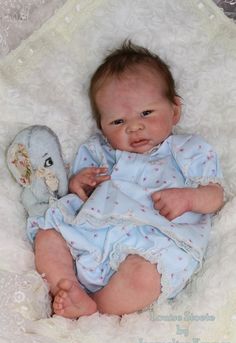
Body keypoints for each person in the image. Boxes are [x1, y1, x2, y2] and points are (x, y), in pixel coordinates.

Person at [29, 41, 224, 319]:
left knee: (143, 277)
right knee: (47, 236)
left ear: (175, 111)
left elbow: (215, 196)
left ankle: (95, 311)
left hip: (153, 241)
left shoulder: (187, 150)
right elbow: (78, 191)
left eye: (146, 113)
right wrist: (78, 183)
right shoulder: (99, 151)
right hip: (93, 235)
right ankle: (70, 288)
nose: (134, 126)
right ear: (102, 128)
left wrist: (189, 197)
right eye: (118, 122)